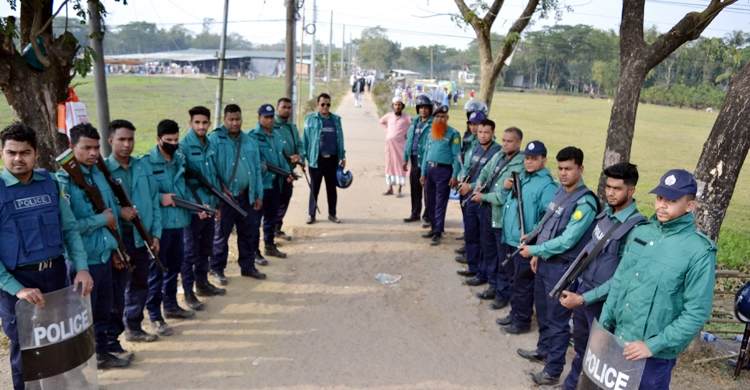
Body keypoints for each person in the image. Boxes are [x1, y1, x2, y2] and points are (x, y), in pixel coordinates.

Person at [597, 169, 716, 390]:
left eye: (671, 200)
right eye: (660, 198)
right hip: (618, 340)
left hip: (653, 358)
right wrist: (604, 326)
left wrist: (652, 346)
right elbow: (619, 281)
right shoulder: (641, 233)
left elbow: (697, 312)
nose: (661, 205)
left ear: (689, 206)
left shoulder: (699, 251)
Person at [0, 124, 94, 388]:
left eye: (25, 152)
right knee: (26, 353)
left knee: (57, 344)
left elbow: (70, 229)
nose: (18, 158)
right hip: (19, 283)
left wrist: (82, 268)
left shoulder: (50, 183)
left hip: (55, 277)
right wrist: (16, 289)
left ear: (36, 153)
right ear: (2, 153)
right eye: (11, 152)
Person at [545, 162, 647, 390]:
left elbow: (623, 279)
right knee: (583, 351)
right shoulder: (605, 215)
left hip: (603, 305)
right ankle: (571, 385)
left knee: (599, 357)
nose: (610, 193)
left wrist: (584, 298)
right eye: (608, 186)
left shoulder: (637, 229)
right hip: (584, 294)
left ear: (631, 191)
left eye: (617, 188)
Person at [516, 146, 600, 386]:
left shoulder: (585, 202)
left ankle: (553, 370)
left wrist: (535, 250)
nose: (563, 173)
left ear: (580, 169)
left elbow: (568, 241)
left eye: (568, 169)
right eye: (560, 168)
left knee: (557, 320)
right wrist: (534, 244)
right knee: (542, 311)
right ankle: (543, 350)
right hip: (544, 264)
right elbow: (546, 223)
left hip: (562, 269)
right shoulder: (560, 192)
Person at [57, 123, 131, 369]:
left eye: (96, 147)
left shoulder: (98, 173)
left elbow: (110, 211)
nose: (92, 153)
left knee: (102, 311)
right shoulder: (64, 182)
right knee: (80, 316)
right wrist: (102, 220)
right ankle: (81, 365)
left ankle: (101, 354)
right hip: (83, 261)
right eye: (86, 147)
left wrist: (116, 250)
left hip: (103, 256)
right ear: (72, 148)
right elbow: (69, 227)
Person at [105, 120, 162, 359]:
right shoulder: (102, 171)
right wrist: (119, 212)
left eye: (130, 139)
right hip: (118, 239)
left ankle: (134, 327)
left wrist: (155, 234)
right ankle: (110, 341)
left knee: (141, 284)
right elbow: (99, 208)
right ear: (111, 141)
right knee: (117, 292)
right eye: (122, 139)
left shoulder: (142, 166)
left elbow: (154, 201)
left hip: (142, 236)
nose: (127, 144)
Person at [143, 120, 204, 337]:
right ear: (158, 139)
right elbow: (142, 195)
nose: (173, 143)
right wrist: (161, 198)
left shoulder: (179, 160)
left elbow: (184, 188)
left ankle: (170, 306)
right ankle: (155, 315)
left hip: (180, 223)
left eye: (176, 140)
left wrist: (197, 207)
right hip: (160, 227)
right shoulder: (146, 163)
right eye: (168, 140)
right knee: (156, 272)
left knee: (174, 268)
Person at [495, 141, 557, 334]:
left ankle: (521, 321)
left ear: (544, 160)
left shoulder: (547, 185)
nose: (529, 162)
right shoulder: (521, 177)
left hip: (526, 243)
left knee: (523, 284)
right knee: (514, 280)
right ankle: (515, 314)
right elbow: (509, 202)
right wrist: (506, 187)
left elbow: (548, 219)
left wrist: (535, 241)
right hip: (511, 239)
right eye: (527, 158)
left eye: (534, 159)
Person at [467, 127, 525, 310]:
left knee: (503, 258)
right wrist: (478, 184)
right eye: (504, 140)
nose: (505, 144)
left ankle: (502, 293)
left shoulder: (521, 164)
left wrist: (482, 197)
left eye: (510, 141)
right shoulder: (499, 155)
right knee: (489, 251)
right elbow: (485, 171)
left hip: (502, 218)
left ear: (518, 143)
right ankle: (493, 286)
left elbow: (503, 196)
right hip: (489, 212)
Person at [209, 104, 266, 283]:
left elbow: (257, 170)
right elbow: (210, 170)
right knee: (220, 236)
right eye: (231, 120)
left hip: (246, 197)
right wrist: (218, 195)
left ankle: (248, 267)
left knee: (248, 232)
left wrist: (258, 195)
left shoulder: (249, 141)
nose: (235, 123)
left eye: (238, 119)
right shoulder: (215, 140)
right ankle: (217, 269)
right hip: (225, 199)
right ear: (224, 120)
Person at [180, 107, 226, 312]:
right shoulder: (183, 147)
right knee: (189, 252)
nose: (201, 126)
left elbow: (213, 177)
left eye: (204, 122)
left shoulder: (210, 144)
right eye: (197, 122)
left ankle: (203, 284)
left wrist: (216, 204)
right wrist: (196, 204)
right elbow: (181, 182)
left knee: (205, 249)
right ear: (191, 123)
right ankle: (188, 292)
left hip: (209, 205)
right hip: (193, 209)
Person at [455, 118, 502, 285]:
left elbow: (491, 179)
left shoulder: (497, 153)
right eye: (480, 132)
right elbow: (467, 167)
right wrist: (462, 181)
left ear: (493, 133)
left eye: (486, 132)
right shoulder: (474, 148)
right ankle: (473, 267)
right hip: (470, 198)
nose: (482, 135)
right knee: (471, 234)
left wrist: (471, 186)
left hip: (484, 201)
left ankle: (483, 273)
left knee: (484, 240)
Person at [248, 104, 295, 259]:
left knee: (271, 218)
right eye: (266, 117)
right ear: (259, 117)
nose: (269, 120)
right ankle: (255, 251)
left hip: (275, 183)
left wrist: (287, 173)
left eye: (271, 117)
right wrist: (260, 166)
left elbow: (280, 158)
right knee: (255, 222)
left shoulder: (276, 135)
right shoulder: (252, 136)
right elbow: (250, 161)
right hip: (260, 186)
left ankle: (269, 246)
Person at [302, 93, 346, 224]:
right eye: (322, 104)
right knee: (314, 188)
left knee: (331, 189)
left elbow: (341, 139)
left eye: (328, 104)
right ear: (318, 104)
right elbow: (305, 140)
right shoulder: (310, 120)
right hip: (316, 161)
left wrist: (343, 156)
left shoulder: (336, 120)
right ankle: (311, 214)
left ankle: (332, 214)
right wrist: (302, 159)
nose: (325, 107)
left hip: (332, 160)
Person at [420, 105, 461, 246]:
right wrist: (423, 173)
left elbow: (457, 156)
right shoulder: (430, 133)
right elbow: (426, 154)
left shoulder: (453, 134)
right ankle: (432, 227)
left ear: (447, 118)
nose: (439, 119)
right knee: (429, 201)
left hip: (444, 172)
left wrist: (455, 175)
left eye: (442, 116)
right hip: (430, 170)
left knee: (440, 202)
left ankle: (438, 231)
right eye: (437, 116)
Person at [274, 97, 303, 241]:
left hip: (289, 172)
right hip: (273, 173)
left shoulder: (291, 127)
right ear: (277, 108)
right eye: (284, 107)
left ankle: (277, 228)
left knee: (285, 200)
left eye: (289, 108)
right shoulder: (271, 125)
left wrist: (299, 156)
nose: (286, 110)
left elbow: (299, 143)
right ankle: (269, 235)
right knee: (272, 203)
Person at [402, 93, 434, 225]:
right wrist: (405, 158)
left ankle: (427, 216)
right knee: (415, 188)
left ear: (430, 109)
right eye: (420, 107)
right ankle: (415, 213)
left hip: (426, 161)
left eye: (426, 107)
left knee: (427, 189)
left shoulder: (433, 123)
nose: (423, 110)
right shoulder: (414, 121)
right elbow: (409, 140)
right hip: (414, 159)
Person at [379, 96, 412, 197]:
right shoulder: (389, 116)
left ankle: (399, 189)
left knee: (401, 165)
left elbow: (413, 126)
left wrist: (408, 134)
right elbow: (381, 122)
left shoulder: (407, 117)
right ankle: (390, 188)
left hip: (401, 146)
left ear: (402, 106)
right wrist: (387, 131)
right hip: (390, 146)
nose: (397, 107)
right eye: (395, 105)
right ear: (392, 106)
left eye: (399, 105)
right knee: (390, 164)